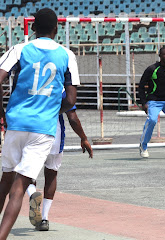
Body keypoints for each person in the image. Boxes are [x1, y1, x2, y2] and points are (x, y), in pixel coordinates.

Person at [0, 8, 80, 239]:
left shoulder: (20, 49)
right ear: (56, 29)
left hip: (16, 123)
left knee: (5, 181)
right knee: (19, 190)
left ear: (33, 28)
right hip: (43, 128)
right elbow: (71, 100)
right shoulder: (67, 55)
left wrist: (2, 113)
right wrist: (51, 109)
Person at [27, 92, 93, 231]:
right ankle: (44, 219)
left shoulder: (32, 82)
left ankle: (32, 193)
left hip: (32, 132)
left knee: (26, 172)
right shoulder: (60, 88)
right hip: (54, 135)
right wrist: (83, 138)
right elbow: (72, 117)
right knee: (51, 173)